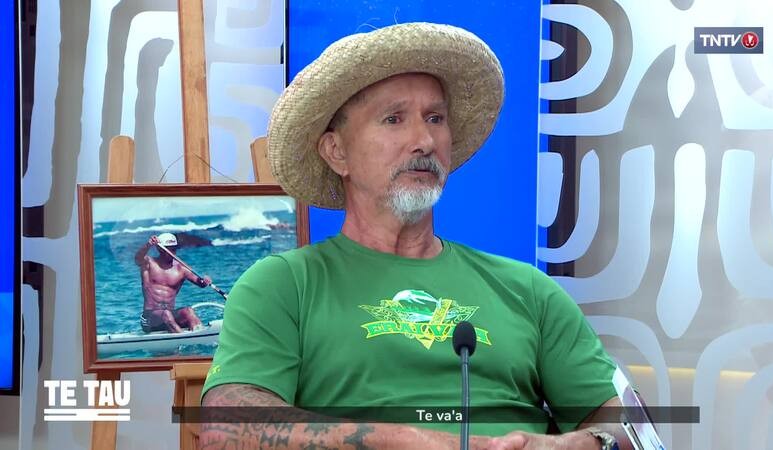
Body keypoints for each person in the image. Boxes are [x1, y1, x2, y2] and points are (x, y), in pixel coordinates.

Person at [201, 23, 633, 450]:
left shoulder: (528, 290)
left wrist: (578, 444)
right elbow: (224, 429)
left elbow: (629, 429)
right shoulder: (284, 285)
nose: (424, 140)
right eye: (393, 119)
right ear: (337, 152)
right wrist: (401, 439)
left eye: (435, 119)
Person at [135, 232, 211, 333]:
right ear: (160, 249)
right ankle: (183, 339)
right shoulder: (149, 263)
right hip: (149, 319)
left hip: (169, 315)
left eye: (174, 249)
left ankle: (200, 336)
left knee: (188, 311)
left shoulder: (181, 269)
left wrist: (205, 280)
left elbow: (200, 283)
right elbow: (138, 259)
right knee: (166, 314)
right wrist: (148, 245)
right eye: (169, 249)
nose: (172, 252)